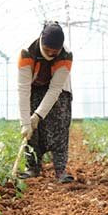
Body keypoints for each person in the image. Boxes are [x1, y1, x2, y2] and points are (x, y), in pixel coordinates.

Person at [16, 21, 75, 183]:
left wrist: (38, 116)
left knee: (60, 124)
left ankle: (60, 170)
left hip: (59, 91)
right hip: (34, 88)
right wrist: (26, 122)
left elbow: (55, 89)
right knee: (31, 131)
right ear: (41, 40)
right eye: (47, 50)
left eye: (54, 52)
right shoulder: (27, 53)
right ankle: (32, 168)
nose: (50, 54)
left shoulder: (66, 55)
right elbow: (23, 89)